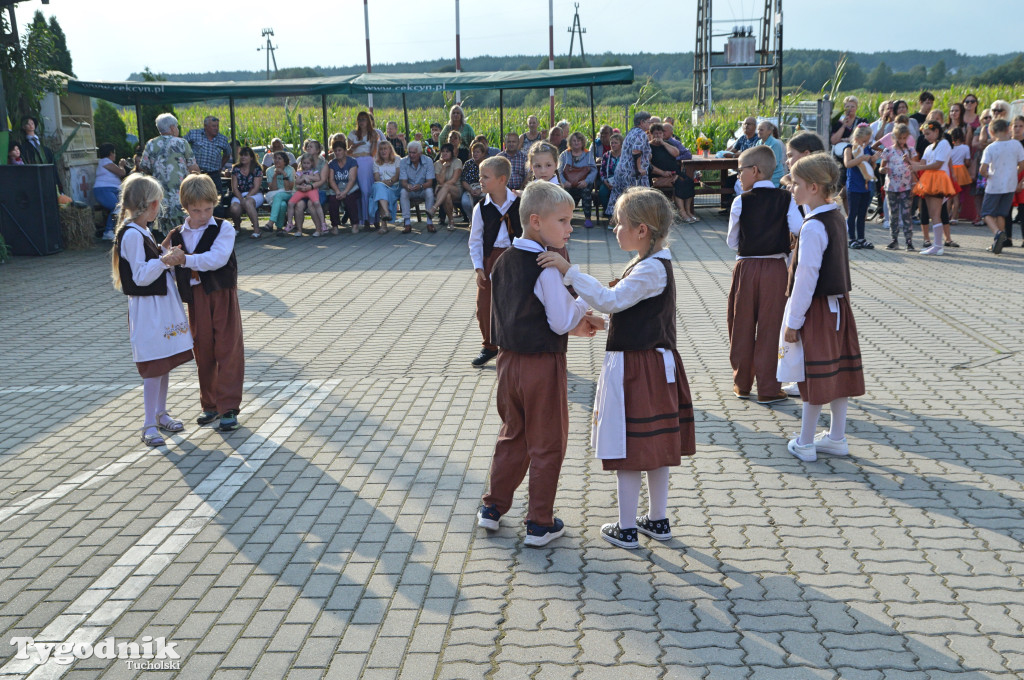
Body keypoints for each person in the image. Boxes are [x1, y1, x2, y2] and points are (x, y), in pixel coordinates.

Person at [537, 186, 693, 548]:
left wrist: (569, 271)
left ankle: (627, 527)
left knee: (630, 448)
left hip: (638, 368)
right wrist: (602, 323)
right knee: (652, 449)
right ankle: (657, 520)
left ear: (642, 230)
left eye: (620, 223)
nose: (614, 229)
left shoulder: (651, 269)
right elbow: (634, 314)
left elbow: (612, 300)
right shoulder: (649, 264)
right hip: (650, 363)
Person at [475, 181, 601, 547]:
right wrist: (581, 310)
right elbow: (560, 320)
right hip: (541, 366)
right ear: (535, 222)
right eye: (563, 220)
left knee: (513, 434)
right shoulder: (546, 267)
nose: (570, 227)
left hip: (508, 364)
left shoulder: (502, 261)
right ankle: (539, 522)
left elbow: (522, 314)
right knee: (548, 442)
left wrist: (569, 320)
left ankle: (493, 508)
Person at [782, 153, 865, 462]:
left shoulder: (814, 227)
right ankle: (836, 436)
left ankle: (805, 442)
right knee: (838, 372)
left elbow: (806, 277)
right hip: (839, 306)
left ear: (814, 187)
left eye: (796, 183)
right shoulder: (834, 215)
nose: (792, 188)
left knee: (813, 374)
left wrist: (794, 319)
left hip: (817, 309)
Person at [110, 174, 194, 447]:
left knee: (163, 363)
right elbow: (140, 275)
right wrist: (165, 260)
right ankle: (148, 424)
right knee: (153, 367)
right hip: (148, 308)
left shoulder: (142, 230)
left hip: (158, 305)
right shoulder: (132, 234)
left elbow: (151, 262)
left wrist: (165, 251)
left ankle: (160, 413)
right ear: (152, 204)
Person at [167, 173, 245, 433]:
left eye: (208, 209)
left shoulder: (224, 227)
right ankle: (210, 405)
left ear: (215, 203)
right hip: (196, 298)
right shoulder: (177, 233)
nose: (202, 215)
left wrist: (184, 260)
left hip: (222, 293)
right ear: (185, 208)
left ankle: (229, 407)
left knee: (227, 346)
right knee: (203, 349)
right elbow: (163, 257)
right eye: (196, 210)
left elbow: (217, 259)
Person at [726, 145, 802, 404]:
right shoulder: (786, 198)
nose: (738, 176)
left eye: (740, 171)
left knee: (742, 325)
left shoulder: (740, 201)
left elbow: (731, 241)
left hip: (746, 268)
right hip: (775, 269)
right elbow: (797, 227)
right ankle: (769, 388)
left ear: (755, 171)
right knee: (772, 328)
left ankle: (742, 384)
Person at [467, 155, 520, 368]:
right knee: (484, 305)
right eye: (481, 176)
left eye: (485, 176)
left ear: (502, 179)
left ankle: (515, 345)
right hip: (491, 259)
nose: (480, 180)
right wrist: (478, 266)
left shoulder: (520, 202)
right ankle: (490, 346)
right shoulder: (481, 207)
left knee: (516, 302)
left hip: (516, 258)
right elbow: (475, 240)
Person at [139, 113, 200, 235]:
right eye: (177, 126)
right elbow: (193, 167)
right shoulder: (182, 143)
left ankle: (170, 244)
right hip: (181, 192)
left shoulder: (151, 143)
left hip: (161, 193)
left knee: (166, 227)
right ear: (172, 128)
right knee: (184, 225)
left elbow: (144, 167)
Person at [912, 121, 958, 256]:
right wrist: (909, 161)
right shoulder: (929, 147)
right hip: (930, 179)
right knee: (934, 214)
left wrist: (918, 167)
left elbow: (937, 164)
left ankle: (937, 246)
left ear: (937, 131)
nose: (926, 137)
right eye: (924, 134)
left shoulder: (944, 144)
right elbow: (922, 163)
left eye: (928, 133)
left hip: (938, 180)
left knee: (936, 214)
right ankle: (937, 245)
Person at [979, 119, 1024, 254]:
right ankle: (998, 242)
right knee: (1001, 213)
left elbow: (982, 169)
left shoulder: (991, 147)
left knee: (986, 213)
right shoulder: (1016, 145)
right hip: (1010, 184)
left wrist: (988, 176)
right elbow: (1022, 164)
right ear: (1008, 129)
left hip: (995, 185)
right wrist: (1013, 173)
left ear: (991, 131)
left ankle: (998, 233)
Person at [647, 123, 696, 223]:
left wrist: (664, 143)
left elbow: (676, 153)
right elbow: (649, 165)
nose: (658, 136)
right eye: (655, 134)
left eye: (660, 133)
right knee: (679, 183)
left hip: (674, 172)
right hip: (659, 175)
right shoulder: (649, 147)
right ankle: (682, 212)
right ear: (651, 134)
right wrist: (663, 173)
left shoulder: (668, 144)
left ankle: (688, 211)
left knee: (689, 181)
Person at [607, 111, 653, 216]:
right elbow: (636, 151)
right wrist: (639, 168)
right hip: (632, 173)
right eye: (648, 122)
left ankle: (614, 220)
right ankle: (634, 220)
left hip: (621, 170)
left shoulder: (631, 132)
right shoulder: (641, 134)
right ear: (641, 122)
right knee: (637, 198)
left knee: (620, 197)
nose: (650, 124)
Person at [879, 124, 917, 250]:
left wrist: (913, 184)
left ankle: (909, 240)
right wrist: (883, 169)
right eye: (899, 138)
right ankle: (894, 239)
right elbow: (881, 168)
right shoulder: (888, 151)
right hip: (891, 187)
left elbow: (915, 167)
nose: (902, 141)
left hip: (906, 187)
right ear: (894, 137)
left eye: (904, 138)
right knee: (893, 214)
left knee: (906, 214)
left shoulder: (910, 151)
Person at [842, 125, 877, 249]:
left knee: (863, 214)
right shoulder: (849, 149)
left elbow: (872, 169)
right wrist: (861, 158)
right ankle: (852, 238)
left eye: (868, 141)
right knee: (853, 213)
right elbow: (848, 164)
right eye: (864, 141)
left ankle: (861, 238)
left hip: (865, 185)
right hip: (853, 186)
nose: (866, 144)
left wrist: (873, 161)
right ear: (856, 138)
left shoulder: (867, 149)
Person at [349, 111, 381, 229]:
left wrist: (373, 142)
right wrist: (355, 146)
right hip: (356, 160)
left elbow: (373, 153)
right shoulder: (353, 134)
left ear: (368, 121)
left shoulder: (372, 133)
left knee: (369, 190)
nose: (361, 121)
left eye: (364, 119)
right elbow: (348, 152)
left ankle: (374, 218)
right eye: (360, 119)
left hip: (368, 161)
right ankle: (364, 218)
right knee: (362, 191)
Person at [559, 132, 598, 227]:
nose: (576, 143)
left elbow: (593, 170)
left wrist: (587, 181)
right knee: (566, 195)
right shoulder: (564, 154)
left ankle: (588, 219)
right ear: (570, 142)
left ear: (582, 142)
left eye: (579, 141)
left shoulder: (588, 154)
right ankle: (567, 219)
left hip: (584, 182)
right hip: (568, 183)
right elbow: (559, 170)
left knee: (586, 192)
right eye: (574, 141)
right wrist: (564, 182)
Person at [184, 116, 231, 194]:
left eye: (217, 126)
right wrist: (188, 163)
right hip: (197, 174)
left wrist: (220, 166)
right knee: (195, 197)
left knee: (217, 198)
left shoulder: (222, 139)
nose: (216, 128)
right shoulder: (194, 134)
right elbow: (181, 145)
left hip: (214, 174)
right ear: (205, 126)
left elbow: (227, 154)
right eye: (213, 126)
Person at [399, 141, 436, 233]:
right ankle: (407, 223)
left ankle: (429, 222)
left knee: (429, 192)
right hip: (410, 189)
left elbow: (430, 182)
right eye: (409, 152)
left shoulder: (428, 161)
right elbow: (403, 182)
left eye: (414, 153)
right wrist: (408, 186)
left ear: (420, 153)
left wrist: (421, 186)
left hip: (423, 188)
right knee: (403, 192)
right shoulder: (403, 161)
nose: (411, 155)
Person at [286, 153, 326, 236]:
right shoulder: (299, 172)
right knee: (291, 203)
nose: (306, 165)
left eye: (308, 163)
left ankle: (322, 223)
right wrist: (303, 177)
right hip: (301, 190)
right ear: (301, 163)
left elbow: (318, 178)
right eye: (304, 163)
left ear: (311, 163)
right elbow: (296, 182)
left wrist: (309, 178)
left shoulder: (314, 170)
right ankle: (290, 223)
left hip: (311, 190)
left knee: (316, 203)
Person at [94, 143, 128, 241]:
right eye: (114, 153)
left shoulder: (107, 163)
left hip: (112, 190)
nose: (115, 155)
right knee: (116, 207)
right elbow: (121, 172)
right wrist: (121, 165)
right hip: (104, 189)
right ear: (110, 153)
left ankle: (116, 229)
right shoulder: (105, 161)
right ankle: (108, 231)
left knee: (122, 207)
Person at [327, 140, 361, 234]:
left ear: (345, 151)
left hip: (351, 188)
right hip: (337, 188)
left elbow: (352, 179)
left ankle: (355, 224)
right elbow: (331, 180)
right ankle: (335, 226)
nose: (337, 153)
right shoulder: (332, 163)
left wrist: (345, 192)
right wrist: (338, 192)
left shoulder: (352, 162)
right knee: (333, 200)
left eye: (339, 150)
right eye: (335, 151)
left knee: (350, 198)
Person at [227, 146, 263, 233]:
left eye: (246, 155)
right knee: (234, 208)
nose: (243, 157)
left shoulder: (257, 168)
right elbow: (234, 187)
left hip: (255, 194)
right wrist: (241, 199)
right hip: (240, 193)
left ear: (251, 157)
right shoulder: (236, 168)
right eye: (241, 155)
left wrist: (247, 197)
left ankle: (256, 229)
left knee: (248, 202)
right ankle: (237, 226)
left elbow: (256, 187)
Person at [259, 151, 294, 237]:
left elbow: (288, 188)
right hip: (275, 193)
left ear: (285, 161)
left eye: (279, 159)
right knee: (282, 205)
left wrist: (283, 174)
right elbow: (272, 188)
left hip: (288, 193)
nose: (277, 161)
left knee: (279, 196)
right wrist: (275, 175)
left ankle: (270, 223)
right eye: (275, 158)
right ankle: (279, 228)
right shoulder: (269, 170)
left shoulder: (290, 170)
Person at [370, 140, 401, 234]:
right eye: (381, 149)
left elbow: (398, 174)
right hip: (382, 185)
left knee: (380, 193)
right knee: (379, 188)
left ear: (390, 150)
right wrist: (383, 182)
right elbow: (376, 178)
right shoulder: (376, 162)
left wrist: (391, 181)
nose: (383, 151)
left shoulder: (397, 159)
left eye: (385, 149)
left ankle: (384, 225)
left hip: (395, 187)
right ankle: (387, 213)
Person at [432, 143, 463, 230]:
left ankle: (434, 208)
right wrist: (444, 167)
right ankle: (451, 222)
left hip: (456, 189)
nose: (444, 153)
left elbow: (453, 180)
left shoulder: (457, 162)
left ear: (452, 153)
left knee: (446, 188)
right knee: (447, 196)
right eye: (443, 151)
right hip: (443, 192)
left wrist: (441, 185)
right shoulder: (437, 164)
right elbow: (440, 180)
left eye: (447, 151)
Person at [948, 128, 972, 224]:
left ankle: (946, 216)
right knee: (956, 197)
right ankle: (954, 218)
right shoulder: (965, 148)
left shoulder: (949, 147)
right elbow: (967, 161)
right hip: (961, 171)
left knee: (949, 196)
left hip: (951, 170)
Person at [598, 133, 623, 220]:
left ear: (621, 144)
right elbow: (602, 171)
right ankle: (608, 214)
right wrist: (605, 181)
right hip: (608, 180)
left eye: (616, 143)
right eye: (612, 143)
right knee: (602, 192)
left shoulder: (625, 155)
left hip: (622, 181)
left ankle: (621, 215)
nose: (613, 145)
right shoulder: (606, 155)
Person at [460, 142, 486, 222]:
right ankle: (472, 220)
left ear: (482, 153)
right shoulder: (468, 164)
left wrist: (481, 189)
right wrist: (471, 190)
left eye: (477, 152)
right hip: (470, 187)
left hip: (484, 187)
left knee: (487, 200)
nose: (475, 154)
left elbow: (490, 180)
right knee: (465, 202)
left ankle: (484, 221)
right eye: (473, 152)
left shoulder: (487, 164)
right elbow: (463, 180)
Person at [755, 119, 786, 187]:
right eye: (758, 129)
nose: (759, 132)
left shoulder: (775, 144)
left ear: (769, 131)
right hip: (762, 173)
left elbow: (774, 163)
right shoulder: (758, 143)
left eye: (761, 130)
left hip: (774, 175)